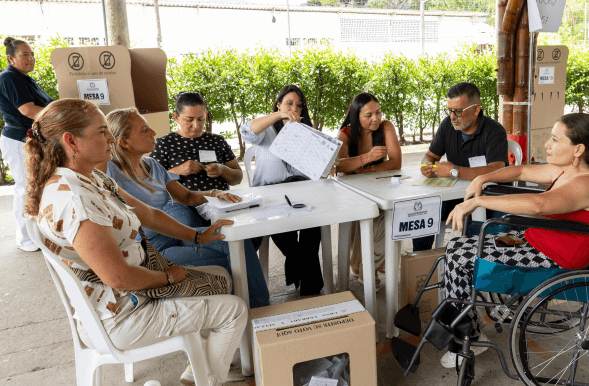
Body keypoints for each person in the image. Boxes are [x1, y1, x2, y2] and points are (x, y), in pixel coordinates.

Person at [26, 99, 250, 386]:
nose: (110, 139)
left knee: (219, 276)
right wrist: (169, 277)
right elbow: (117, 277)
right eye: (102, 131)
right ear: (71, 141)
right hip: (121, 313)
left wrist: (199, 236)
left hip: (126, 294)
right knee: (234, 310)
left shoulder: (92, 179)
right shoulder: (76, 199)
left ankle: (198, 364)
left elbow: (149, 214)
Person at [437, 113, 589, 368]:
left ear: (578, 149)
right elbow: (520, 169)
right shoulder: (566, 170)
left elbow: (538, 204)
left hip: (552, 256)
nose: (547, 145)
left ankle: (467, 335)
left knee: (461, 257)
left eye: (555, 139)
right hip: (534, 241)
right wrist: (483, 178)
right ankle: (463, 325)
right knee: (456, 246)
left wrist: (477, 201)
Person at [104, 107, 271, 307]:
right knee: (233, 260)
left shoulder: (151, 166)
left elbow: (187, 196)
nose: (153, 133)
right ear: (123, 141)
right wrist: (198, 236)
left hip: (177, 235)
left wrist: (214, 193)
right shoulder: (109, 171)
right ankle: (254, 311)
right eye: (144, 130)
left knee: (237, 242)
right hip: (152, 252)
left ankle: (258, 307)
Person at [240, 85, 324, 297]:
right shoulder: (266, 131)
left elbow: (316, 168)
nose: (294, 108)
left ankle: (299, 274)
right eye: (289, 103)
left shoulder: (307, 131)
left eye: (299, 105)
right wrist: (280, 115)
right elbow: (248, 130)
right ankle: (311, 285)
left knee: (314, 226)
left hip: (302, 189)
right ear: (278, 104)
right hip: (270, 193)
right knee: (281, 227)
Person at [414, 82, 508, 251]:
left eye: (458, 111)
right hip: (457, 196)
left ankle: (474, 264)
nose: (452, 116)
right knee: (423, 213)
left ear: (476, 109)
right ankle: (421, 262)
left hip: (489, 198)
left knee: (490, 231)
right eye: (449, 110)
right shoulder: (447, 125)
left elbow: (497, 170)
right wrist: (425, 165)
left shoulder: (494, 131)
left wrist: (453, 171)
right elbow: (430, 155)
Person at [0, 36, 54, 252]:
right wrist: (59, 116)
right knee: (25, 188)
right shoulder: (10, 78)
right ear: (11, 58)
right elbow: (27, 110)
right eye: (25, 55)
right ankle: (25, 238)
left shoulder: (23, 77)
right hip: (18, 140)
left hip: (31, 140)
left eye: (32, 54)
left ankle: (38, 233)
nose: (31, 58)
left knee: (35, 186)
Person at [334, 92, 402, 287]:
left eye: (378, 112)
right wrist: (369, 158)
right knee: (373, 213)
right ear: (356, 116)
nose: (376, 119)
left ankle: (366, 266)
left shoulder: (386, 127)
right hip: (352, 191)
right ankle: (367, 267)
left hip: (379, 187)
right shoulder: (346, 133)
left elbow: (396, 162)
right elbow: (338, 165)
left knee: (389, 211)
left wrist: (364, 169)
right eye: (369, 115)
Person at [151, 92, 244, 194]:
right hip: (182, 206)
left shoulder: (217, 141)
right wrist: (177, 171)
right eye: (189, 119)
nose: (196, 125)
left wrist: (223, 170)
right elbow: (150, 182)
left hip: (220, 201)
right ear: (176, 118)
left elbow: (238, 178)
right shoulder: (164, 143)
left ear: (206, 115)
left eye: (201, 119)